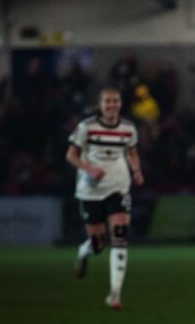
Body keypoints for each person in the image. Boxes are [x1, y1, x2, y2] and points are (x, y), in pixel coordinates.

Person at [66, 87, 145, 310]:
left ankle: (115, 294)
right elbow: (70, 155)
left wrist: (136, 171)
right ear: (100, 105)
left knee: (120, 235)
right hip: (90, 189)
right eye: (107, 101)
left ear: (120, 104)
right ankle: (84, 252)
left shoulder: (128, 128)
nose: (112, 105)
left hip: (118, 186)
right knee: (98, 244)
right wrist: (88, 169)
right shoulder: (86, 127)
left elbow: (131, 151)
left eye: (115, 101)